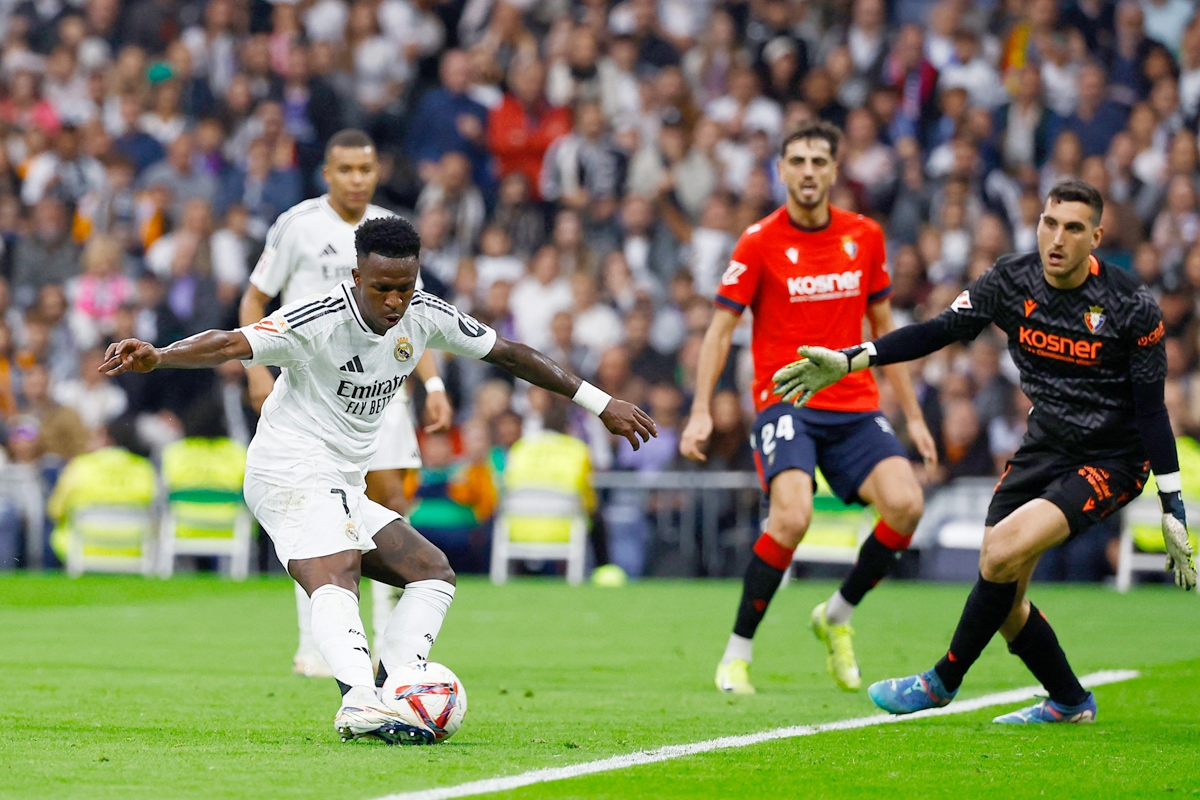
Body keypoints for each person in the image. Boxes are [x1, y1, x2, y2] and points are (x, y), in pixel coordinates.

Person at [101, 215, 657, 744]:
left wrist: (599, 402)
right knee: (338, 568)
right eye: (382, 288)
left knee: (432, 573)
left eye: (405, 288)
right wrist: (159, 356)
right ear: (356, 277)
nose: (394, 301)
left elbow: (510, 355)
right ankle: (358, 702)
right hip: (287, 469)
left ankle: (399, 686)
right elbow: (230, 342)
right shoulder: (317, 319)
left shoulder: (425, 314)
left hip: (341, 480)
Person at [773, 179, 1195, 724]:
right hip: (1043, 447)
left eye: (1072, 228)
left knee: (999, 557)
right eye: (1049, 223)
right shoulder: (1010, 280)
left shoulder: (1131, 306)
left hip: (1110, 461)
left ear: (1096, 237)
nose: (1057, 239)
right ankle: (1069, 702)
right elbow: (938, 330)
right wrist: (854, 358)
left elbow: (1152, 412)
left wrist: (1172, 506)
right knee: (1005, 598)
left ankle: (941, 681)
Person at [679, 120, 937, 696]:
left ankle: (836, 615)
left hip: (854, 403)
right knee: (792, 517)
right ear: (781, 171)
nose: (808, 172)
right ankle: (737, 653)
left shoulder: (865, 235)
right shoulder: (758, 241)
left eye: (819, 161)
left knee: (906, 505)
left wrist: (914, 416)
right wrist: (700, 409)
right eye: (797, 161)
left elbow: (884, 331)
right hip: (787, 399)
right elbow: (720, 330)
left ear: (835, 171)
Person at [238, 128, 454, 679]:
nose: (357, 179)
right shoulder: (298, 225)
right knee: (316, 519)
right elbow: (255, 298)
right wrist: (257, 371)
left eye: (365, 169)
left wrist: (433, 386)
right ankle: (314, 644)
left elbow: (416, 317)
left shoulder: (389, 231)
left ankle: (388, 646)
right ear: (327, 174)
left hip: (380, 390)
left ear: (377, 172)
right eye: (346, 170)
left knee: (388, 504)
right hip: (316, 391)